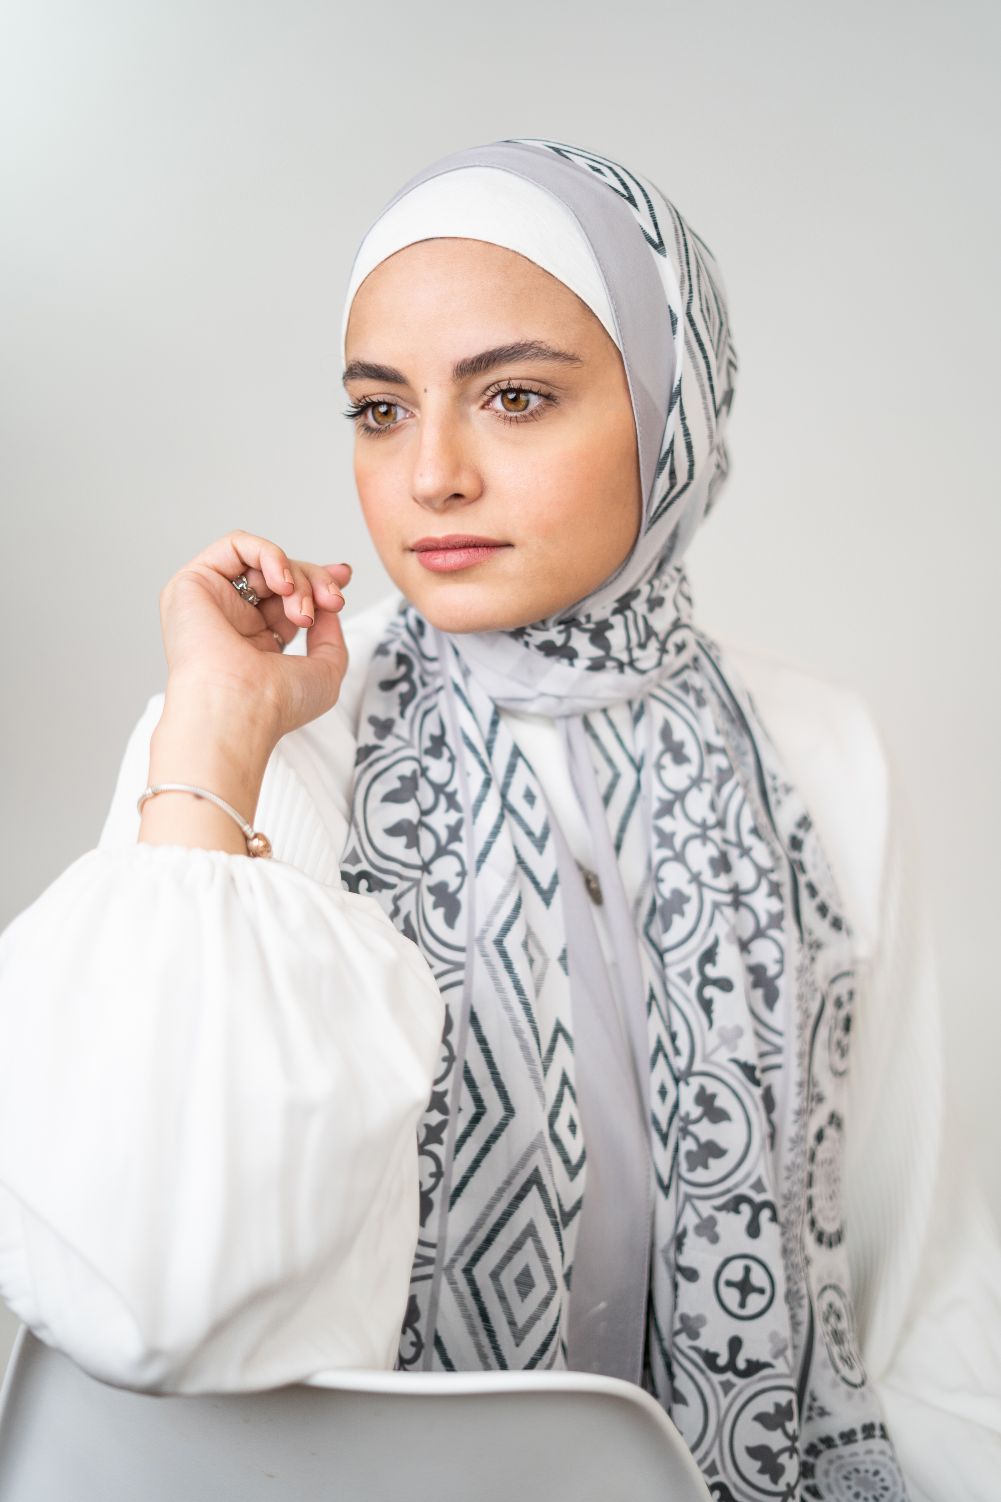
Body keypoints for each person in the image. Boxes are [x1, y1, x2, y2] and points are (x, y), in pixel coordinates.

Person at [0, 137, 998, 1501]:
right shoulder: (263, 743)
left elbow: (913, 1261)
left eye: (514, 397)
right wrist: (213, 737)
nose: (431, 475)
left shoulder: (820, 749)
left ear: (670, 410)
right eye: (379, 410)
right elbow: (149, 1291)